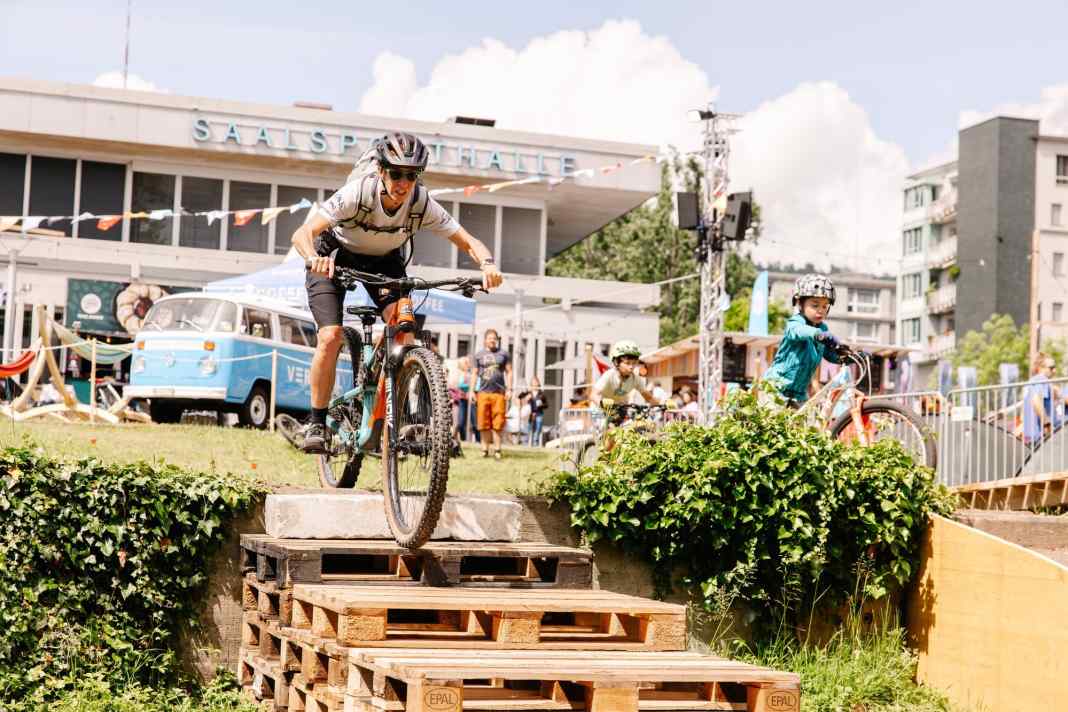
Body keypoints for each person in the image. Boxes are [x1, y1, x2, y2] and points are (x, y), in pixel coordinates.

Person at [292, 132, 503, 453]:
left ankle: (395, 415)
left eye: (411, 175)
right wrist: (313, 258)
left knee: (404, 330)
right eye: (396, 173)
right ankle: (317, 422)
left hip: (385, 261)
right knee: (330, 336)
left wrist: (487, 264)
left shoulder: (421, 202)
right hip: (334, 256)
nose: (403, 183)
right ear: (381, 170)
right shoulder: (357, 193)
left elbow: (468, 241)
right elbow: (303, 232)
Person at [762, 274, 842, 407]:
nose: (820, 310)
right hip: (776, 389)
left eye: (824, 306)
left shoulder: (822, 328)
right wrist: (817, 334)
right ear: (800, 304)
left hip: (799, 394)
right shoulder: (795, 322)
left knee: (808, 420)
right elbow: (798, 331)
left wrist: (848, 356)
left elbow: (829, 354)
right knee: (774, 420)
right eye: (815, 305)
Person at [469, 329, 512, 459]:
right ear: (485, 340)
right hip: (483, 392)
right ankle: (485, 450)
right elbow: (474, 373)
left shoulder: (504, 354)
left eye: (494, 338)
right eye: (490, 338)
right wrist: (471, 391)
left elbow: (509, 372)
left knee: (498, 423)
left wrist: (509, 389)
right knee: (483, 423)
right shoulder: (478, 355)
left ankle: (497, 450)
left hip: (499, 393)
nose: (492, 340)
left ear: (497, 340)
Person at [591, 340, 660, 407]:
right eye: (627, 363)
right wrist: (603, 406)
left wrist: (661, 406)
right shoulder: (609, 375)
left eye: (634, 363)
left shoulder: (635, 378)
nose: (631, 367)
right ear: (616, 362)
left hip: (620, 409)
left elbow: (648, 398)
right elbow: (593, 395)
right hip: (600, 410)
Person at [1023, 353, 1065, 445]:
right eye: (1051, 368)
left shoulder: (1033, 381)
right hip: (1040, 437)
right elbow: (1036, 400)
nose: (1054, 370)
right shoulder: (1041, 379)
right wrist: (1047, 424)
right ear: (1040, 368)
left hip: (1033, 437)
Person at [527, 376, 548, 446]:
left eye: (536, 383)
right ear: (531, 384)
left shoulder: (542, 394)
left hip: (539, 413)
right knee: (530, 427)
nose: (535, 384)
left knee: (538, 425)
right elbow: (520, 399)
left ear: (538, 384)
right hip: (530, 414)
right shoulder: (528, 393)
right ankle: (529, 441)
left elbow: (546, 405)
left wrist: (541, 405)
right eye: (533, 383)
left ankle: (536, 440)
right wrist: (527, 399)